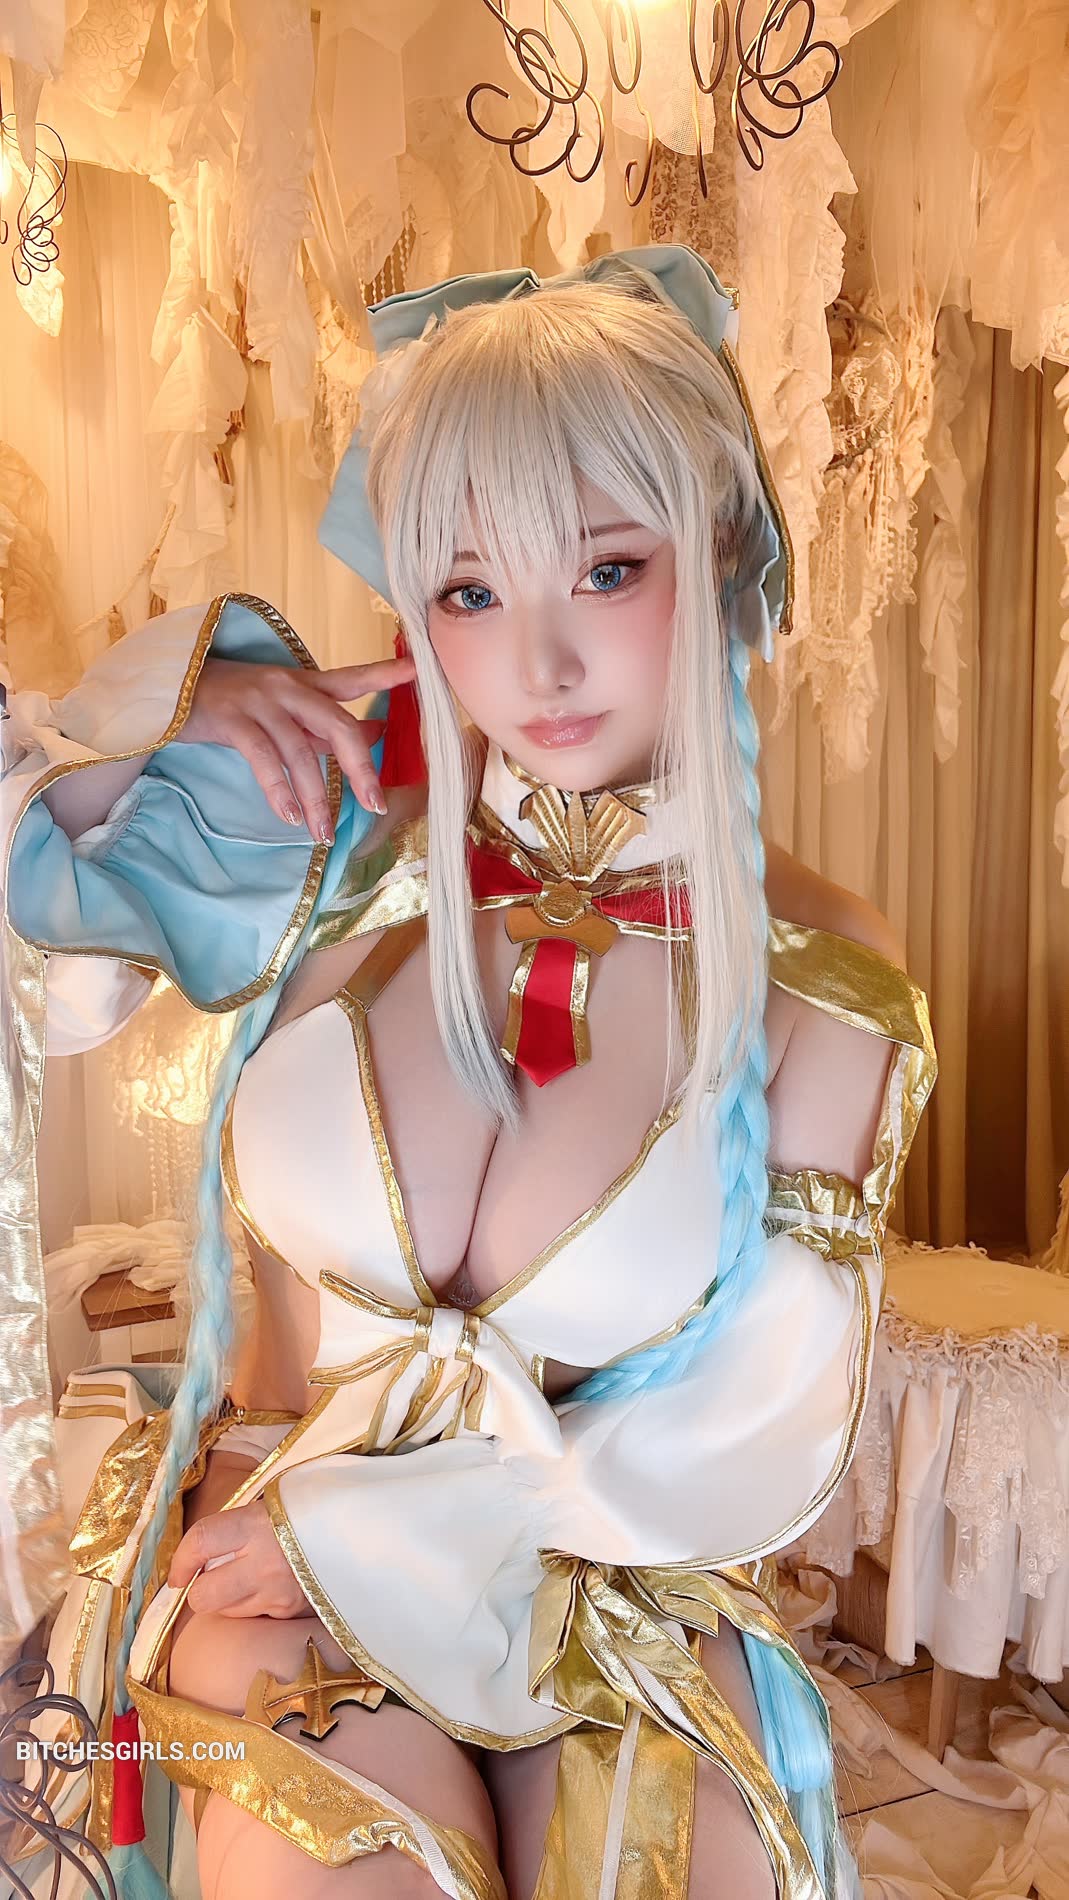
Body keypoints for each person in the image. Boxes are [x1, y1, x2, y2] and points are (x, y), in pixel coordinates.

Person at [0, 246, 936, 1900]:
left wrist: (356, 1536)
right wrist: (171, 713)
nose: (537, 666)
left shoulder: (823, 979)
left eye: (607, 569)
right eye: (469, 592)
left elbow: (756, 1424)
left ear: (723, 548)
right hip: (264, 1571)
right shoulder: (328, 862)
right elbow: (36, 916)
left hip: (608, 1589)